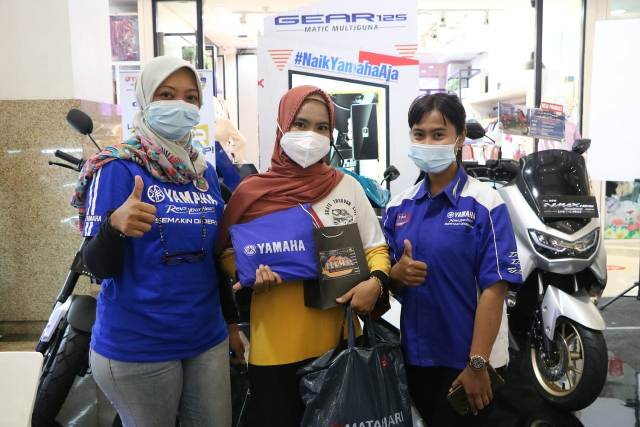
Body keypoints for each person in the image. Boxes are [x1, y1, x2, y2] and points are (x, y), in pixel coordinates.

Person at [71, 56, 243, 426]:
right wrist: (114, 227)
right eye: (167, 94)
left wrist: (230, 323)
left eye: (190, 97)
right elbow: (95, 266)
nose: (180, 105)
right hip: (139, 345)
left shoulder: (202, 174)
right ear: (146, 99)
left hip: (206, 338)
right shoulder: (117, 167)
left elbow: (211, 260)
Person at [216, 85, 390, 427]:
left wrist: (377, 281)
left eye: (322, 127)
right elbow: (226, 250)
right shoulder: (252, 193)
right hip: (274, 347)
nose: (311, 135)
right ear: (282, 126)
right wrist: (247, 271)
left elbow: (375, 247)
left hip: (339, 343)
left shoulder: (346, 186)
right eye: (300, 124)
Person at [383, 93, 523, 427]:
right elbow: (386, 281)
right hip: (417, 357)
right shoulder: (398, 207)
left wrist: (477, 363)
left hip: (470, 360)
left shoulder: (485, 204)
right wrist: (396, 275)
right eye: (419, 134)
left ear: (459, 138)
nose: (427, 143)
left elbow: (495, 290)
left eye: (438, 134)